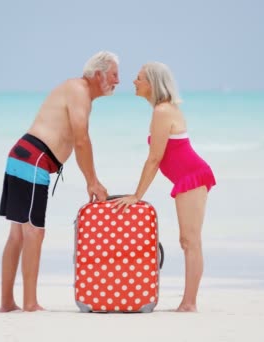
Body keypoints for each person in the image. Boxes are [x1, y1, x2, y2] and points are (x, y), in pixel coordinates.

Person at [0, 51, 120, 312]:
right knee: (33, 232)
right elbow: (81, 140)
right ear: (98, 74)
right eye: (114, 75)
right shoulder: (79, 90)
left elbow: (78, 141)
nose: (118, 81)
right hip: (34, 158)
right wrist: (93, 182)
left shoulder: (77, 91)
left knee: (18, 233)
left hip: (22, 154)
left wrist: (91, 180)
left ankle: (8, 302)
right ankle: (30, 303)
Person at [112, 62, 216, 312]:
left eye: (138, 78)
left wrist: (137, 196)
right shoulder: (162, 110)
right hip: (187, 179)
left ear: (151, 83)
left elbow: (154, 159)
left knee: (191, 242)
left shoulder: (162, 111)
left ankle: (189, 303)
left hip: (192, 176)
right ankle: (188, 302)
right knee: (187, 241)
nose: (134, 82)